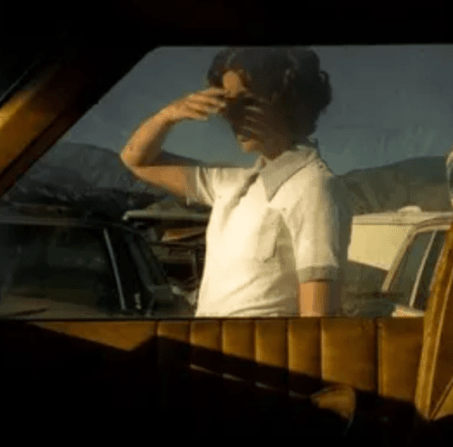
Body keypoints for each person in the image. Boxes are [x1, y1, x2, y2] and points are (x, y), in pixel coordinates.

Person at [119, 47, 352, 317]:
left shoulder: (314, 187)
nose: (230, 115)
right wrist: (169, 115)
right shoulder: (230, 183)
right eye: (227, 103)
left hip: (258, 354)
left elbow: (317, 320)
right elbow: (136, 160)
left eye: (246, 101)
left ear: (287, 102)